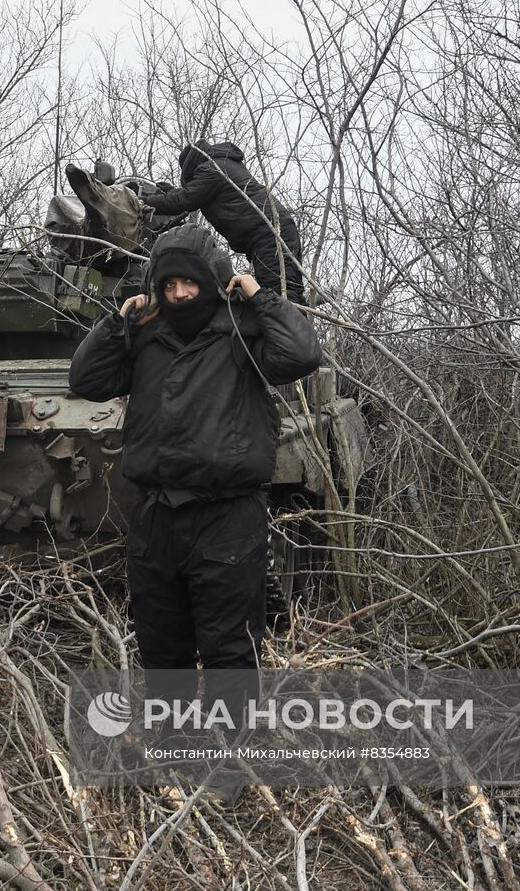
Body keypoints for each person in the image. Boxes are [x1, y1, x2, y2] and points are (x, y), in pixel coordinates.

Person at [68, 224, 321, 792]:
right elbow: (84, 380)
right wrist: (119, 321)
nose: (181, 294)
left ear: (211, 279)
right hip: (157, 513)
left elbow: (302, 352)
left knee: (230, 646)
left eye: (190, 282)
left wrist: (255, 292)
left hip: (227, 514)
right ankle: (175, 755)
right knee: (163, 643)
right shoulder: (145, 336)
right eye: (170, 284)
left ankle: (233, 770)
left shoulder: (242, 329)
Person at [139, 141, 307, 304]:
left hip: (268, 234)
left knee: (280, 294)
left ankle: (286, 330)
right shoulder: (222, 164)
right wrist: (169, 194)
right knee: (291, 290)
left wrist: (144, 202)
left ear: (190, 166)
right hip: (276, 230)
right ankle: (299, 327)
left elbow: (186, 199)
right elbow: (192, 195)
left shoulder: (212, 168)